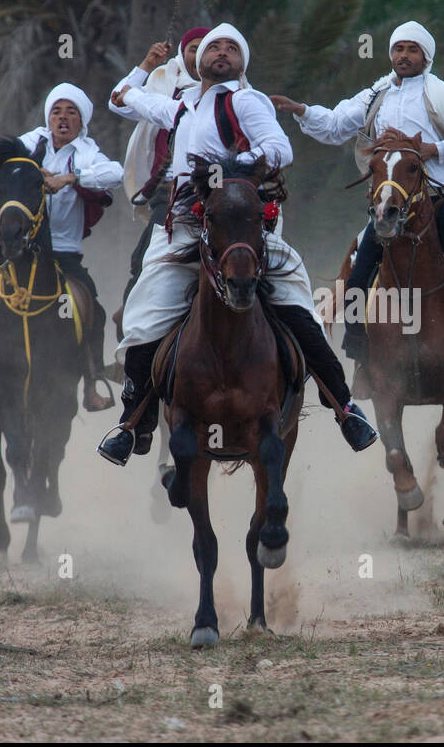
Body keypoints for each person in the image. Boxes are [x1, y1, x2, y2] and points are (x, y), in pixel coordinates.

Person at [98, 23, 378, 465]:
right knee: (140, 321)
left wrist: (230, 169)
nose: (223, 52)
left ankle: (344, 408)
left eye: (232, 48)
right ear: (199, 59)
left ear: (242, 62)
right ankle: (134, 424)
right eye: (215, 47)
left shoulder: (247, 100)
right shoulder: (181, 106)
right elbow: (122, 98)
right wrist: (142, 72)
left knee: (299, 314)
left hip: (245, 228)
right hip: (187, 229)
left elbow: (280, 149)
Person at [269, 21, 444, 395]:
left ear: (426, 56)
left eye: (412, 49)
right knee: (356, 280)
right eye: (398, 49)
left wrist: (433, 150)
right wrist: (302, 110)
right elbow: (337, 124)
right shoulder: (377, 95)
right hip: (388, 206)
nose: (404, 55)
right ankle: (363, 362)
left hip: (438, 203)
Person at [0, 83, 124, 412]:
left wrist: (69, 177)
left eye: (71, 112)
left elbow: (115, 174)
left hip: (61, 251)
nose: (62, 117)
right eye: (57, 110)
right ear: (48, 116)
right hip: (9, 244)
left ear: (81, 120)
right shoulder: (29, 143)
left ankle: (91, 381)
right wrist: (27, 170)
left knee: (92, 306)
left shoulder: (88, 153)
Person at [109, 26, 209, 308]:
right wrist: (148, 65)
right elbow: (118, 102)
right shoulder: (165, 84)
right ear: (182, 54)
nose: (200, 56)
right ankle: (131, 334)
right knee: (142, 262)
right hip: (171, 196)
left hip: (220, 196)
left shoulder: (238, 90)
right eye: (194, 49)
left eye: (207, 49)